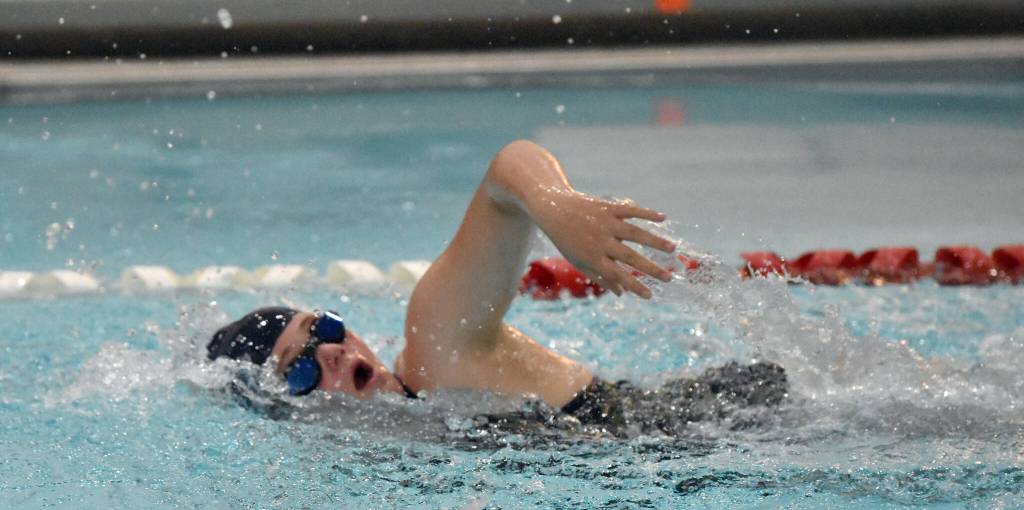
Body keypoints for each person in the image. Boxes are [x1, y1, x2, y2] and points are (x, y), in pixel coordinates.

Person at [207, 140, 787, 437]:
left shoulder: (434, 346)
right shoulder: (398, 441)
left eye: (323, 327)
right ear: (281, 406)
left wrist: (555, 209)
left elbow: (508, 168)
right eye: (299, 367)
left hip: (736, 421)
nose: (331, 350)